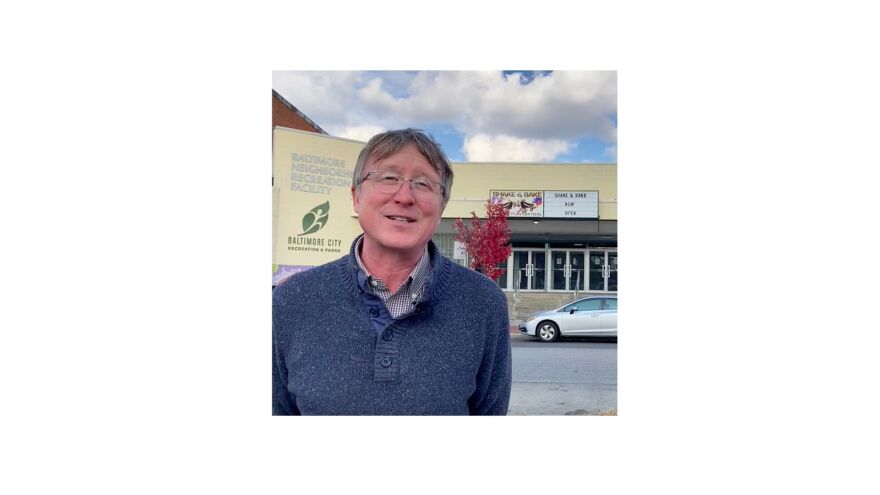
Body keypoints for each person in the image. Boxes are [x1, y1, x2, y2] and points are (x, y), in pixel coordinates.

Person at [273, 128, 511, 415]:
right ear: (356, 197)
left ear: (441, 206)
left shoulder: (483, 303)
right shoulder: (291, 300)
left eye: (423, 184)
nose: (405, 196)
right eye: (388, 177)